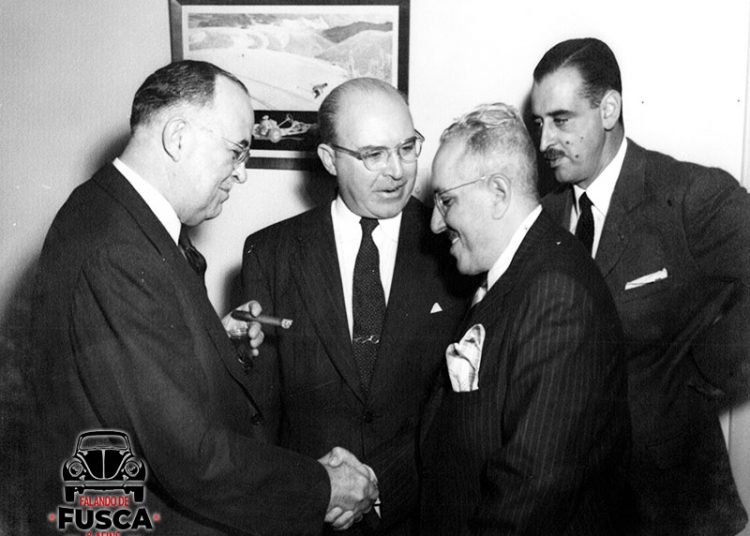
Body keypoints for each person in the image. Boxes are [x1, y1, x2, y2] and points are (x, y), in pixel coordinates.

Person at [29, 60, 377, 536]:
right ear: (178, 138)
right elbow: (191, 458)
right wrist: (324, 485)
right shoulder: (118, 251)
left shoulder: (116, 213)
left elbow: (133, 369)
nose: (241, 174)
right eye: (236, 152)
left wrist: (213, 338)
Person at [231, 77, 471, 535]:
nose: (397, 171)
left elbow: (458, 412)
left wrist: (381, 486)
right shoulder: (270, 253)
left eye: (407, 148)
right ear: (329, 159)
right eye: (374, 155)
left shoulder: (455, 246)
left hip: (420, 516)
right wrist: (311, 492)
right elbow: (261, 414)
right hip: (309, 518)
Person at [531, 37, 750, 535]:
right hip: (577, 508)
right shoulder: (544, 216)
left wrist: (706, 370)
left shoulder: (688, 195)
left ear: (609, 109)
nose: (545, 142)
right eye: (539, 123)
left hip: (675, 509)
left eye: (561, 120)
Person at [420, 102, 633, 535]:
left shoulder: (557, 294)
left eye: (446, 201)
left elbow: (530, 495)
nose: (436, 224)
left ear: (499, 193)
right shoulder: (511, 273)